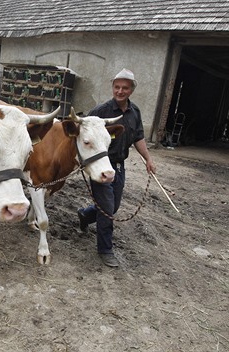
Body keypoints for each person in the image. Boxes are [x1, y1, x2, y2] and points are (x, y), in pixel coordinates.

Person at [78, 68, 156, 268]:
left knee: (114, 206)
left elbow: (138, 137)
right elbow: (83, 137)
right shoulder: (99, 112)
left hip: (119, 166)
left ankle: (85, 215)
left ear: (131, 90)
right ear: (112, 87)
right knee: (107, 209)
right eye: (117, 87)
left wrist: (148, 159)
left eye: (125, 88)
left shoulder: (134, 112)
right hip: (101, 165)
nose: (120, 91)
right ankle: (105, 250)